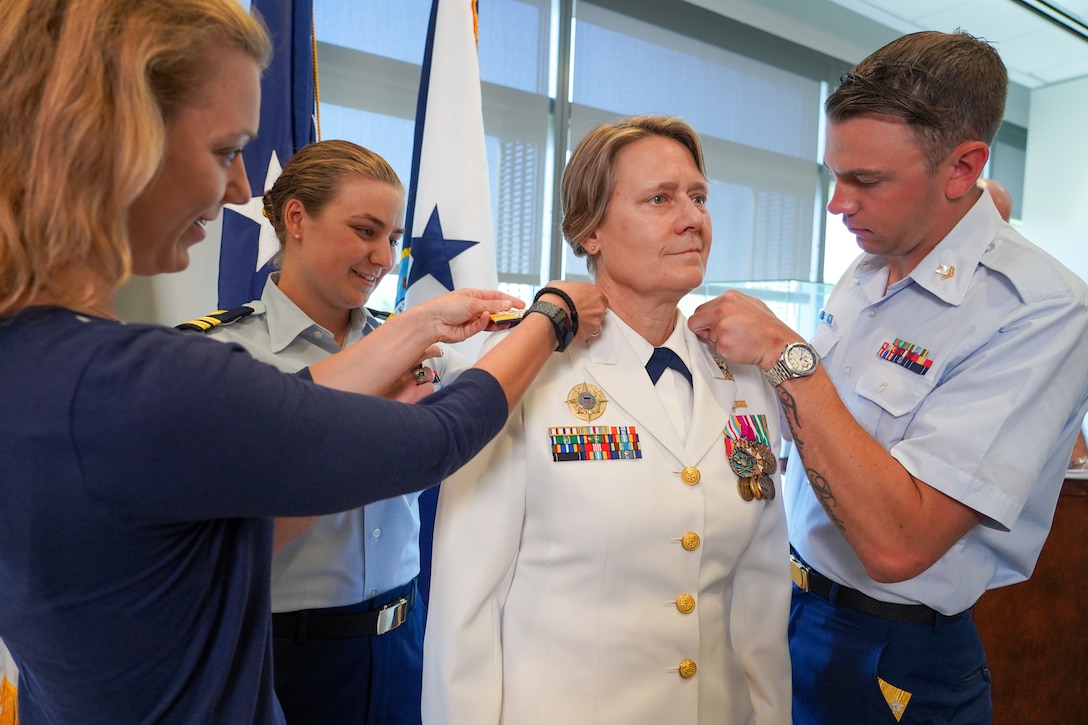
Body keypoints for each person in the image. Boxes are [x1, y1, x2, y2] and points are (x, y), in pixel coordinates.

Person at [0, 1, 606, 723]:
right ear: (116, 136)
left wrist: (409, 329)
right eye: (226, 151)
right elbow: (432, 439)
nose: (237, 190)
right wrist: (553, 316)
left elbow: (288, 416)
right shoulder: (145, 379)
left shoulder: (36, 364)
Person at [687, 30, 1088, 724]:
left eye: (866, 181)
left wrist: (786, 352)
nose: (838, 203)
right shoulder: (871, 261)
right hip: (788, 601)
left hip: (889, 651)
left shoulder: (1040, 309)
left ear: (962, 169)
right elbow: (817, 432)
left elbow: (898, 541)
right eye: (835, 174)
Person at [422, 116, 791, 724]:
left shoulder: (742, 374)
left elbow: (760, 590)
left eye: (698, 197)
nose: (692, 218)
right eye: (659, 199)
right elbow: (467, 603)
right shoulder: (521, 368)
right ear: (590, 231)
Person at [185, 139, 466, 724]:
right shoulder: (214, 355)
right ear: (296, 220)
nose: (385, 258)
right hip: (284, 654)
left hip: (403, 640)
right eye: (365, 230)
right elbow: (206, 542)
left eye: (391, 238)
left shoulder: (415, 346)